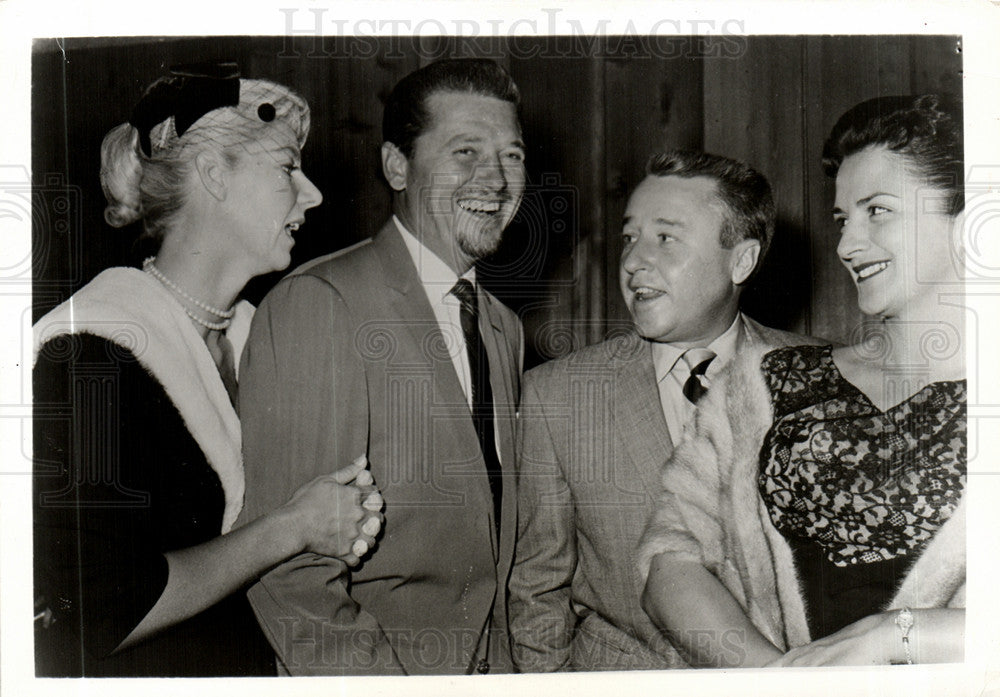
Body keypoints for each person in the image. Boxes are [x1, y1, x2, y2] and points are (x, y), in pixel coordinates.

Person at [32, 63, 382, 677]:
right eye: (287, 168)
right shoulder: (88, 351)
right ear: (214, 175)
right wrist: (296, 527)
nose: (314, 194)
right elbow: (103, 612)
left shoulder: (263, 336)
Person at [638, 94, 966, 667]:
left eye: (878, 211)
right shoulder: (764, 385)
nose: (847, 245)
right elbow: (671, 563)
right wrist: (780, 680)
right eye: (843, 218)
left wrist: (895, 636)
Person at [237, 57, 526, 675]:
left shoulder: (504, 328)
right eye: (466, 152)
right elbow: (289, 578)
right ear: (398, 166)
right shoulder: (322, 302)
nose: (496, 181)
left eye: (513, 156)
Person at [508, 150, 819, 671]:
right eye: (630, 237)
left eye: (666, 238)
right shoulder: (555, 397)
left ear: (741, 260)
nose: (632, 261)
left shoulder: (817, 379)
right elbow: (535, 595)